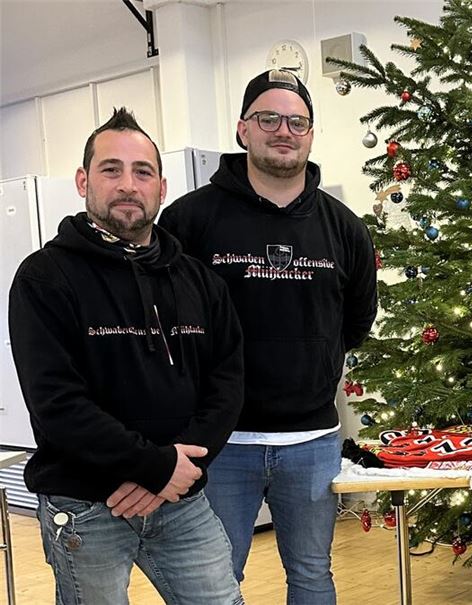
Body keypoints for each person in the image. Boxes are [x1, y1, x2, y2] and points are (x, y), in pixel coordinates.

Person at [8, 108, 245, 604]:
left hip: (181, 498)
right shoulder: (44, 278)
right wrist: (155, 466)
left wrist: (176, 471)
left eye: (142, 172)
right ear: (83, 181)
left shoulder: (200, 282)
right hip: (87, 504)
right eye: (110, 169)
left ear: (162, 187)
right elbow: (57, 404)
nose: (127, 185)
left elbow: (226, 386)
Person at [160, 69, 378, 603]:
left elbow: (356, 321)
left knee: (312, 576)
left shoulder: (344, 227)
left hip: (312, 441)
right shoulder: (189, 220)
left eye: (297, 122)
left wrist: (311, 359)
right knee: (215, 583)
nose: (284, 131)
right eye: (269, 118)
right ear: (243, 129)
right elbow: (164, 323)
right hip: (221, 443)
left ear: (311, 134)